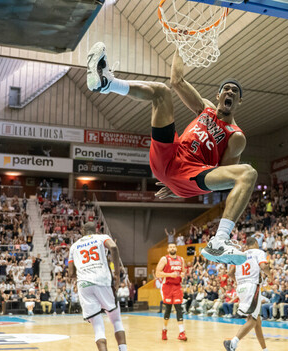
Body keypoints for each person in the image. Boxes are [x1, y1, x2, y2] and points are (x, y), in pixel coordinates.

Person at [86, 42, 256, 265]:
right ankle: (108, 83)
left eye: (235, 91)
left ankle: (220, 240)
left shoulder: (236, 136)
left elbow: (222, 177)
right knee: (162, 92)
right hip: (170, 156)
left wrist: (180, 185)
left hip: (191, 173)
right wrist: (180, 45)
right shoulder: (204, 108)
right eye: (227, 89)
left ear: (239, 101)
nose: (230, 92)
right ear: (218, 95)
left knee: (247, 173)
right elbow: (177, 80)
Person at [68, 222, 141, 351]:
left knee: (98, 328)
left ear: (82, 232)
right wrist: (116, 275)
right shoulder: (102, 238)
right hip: (102, 281)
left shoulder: (74, 246)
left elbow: (71, 273)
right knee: (116, 320)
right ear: (96, 230)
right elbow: (114, 248)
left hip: (84, 285)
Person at [223, 236, 279, 351]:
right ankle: (232, 342)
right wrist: (270, 277)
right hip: (252, 287)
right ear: (255, 243)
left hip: (242, 288)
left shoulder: (240, 255)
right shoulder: (258, 252)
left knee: (257, 321)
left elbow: (230, 273)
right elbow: (264, 266)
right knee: (252, 320)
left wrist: (238, 282)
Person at [155, 243, 187, 341]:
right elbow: (157, 273)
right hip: (167, 286)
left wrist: (182, 274)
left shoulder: (181, 259)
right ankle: (164, 330)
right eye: (170, 247)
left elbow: (184, 271)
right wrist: (170, 274)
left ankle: (182, 332)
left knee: (179, 308)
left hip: (177, 286)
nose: (172, 248)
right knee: (168, 309)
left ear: (176, 248)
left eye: (174, 247)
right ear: (168, 249)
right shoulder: (164, 259)